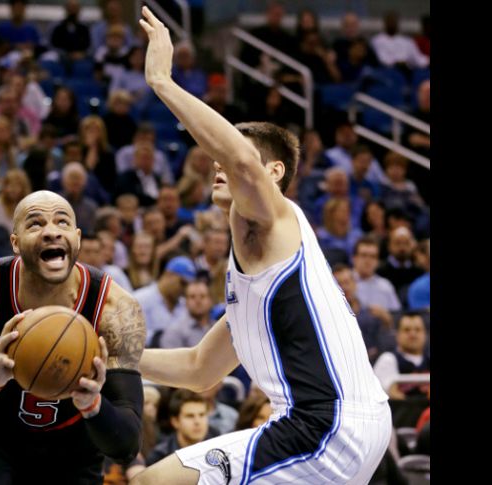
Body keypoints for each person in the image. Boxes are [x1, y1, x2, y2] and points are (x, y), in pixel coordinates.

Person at [131, 8, 391, 484]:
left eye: (230, 154)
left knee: (152, 482)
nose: (217, 163)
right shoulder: (258, 271)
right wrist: (114, 356)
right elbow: (197, 369)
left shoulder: (272, 219)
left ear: (274, 174)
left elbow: (241, 162)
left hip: (325, 424)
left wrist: (162, 82)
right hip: (342, 424)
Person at [0, 190, 146, 483]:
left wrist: (93, 404)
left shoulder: (115, 310)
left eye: (62, 222)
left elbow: (126, 447)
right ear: (15, 242)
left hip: (70, 449)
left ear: (77, 238)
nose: (52, 232)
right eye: (36, 224)